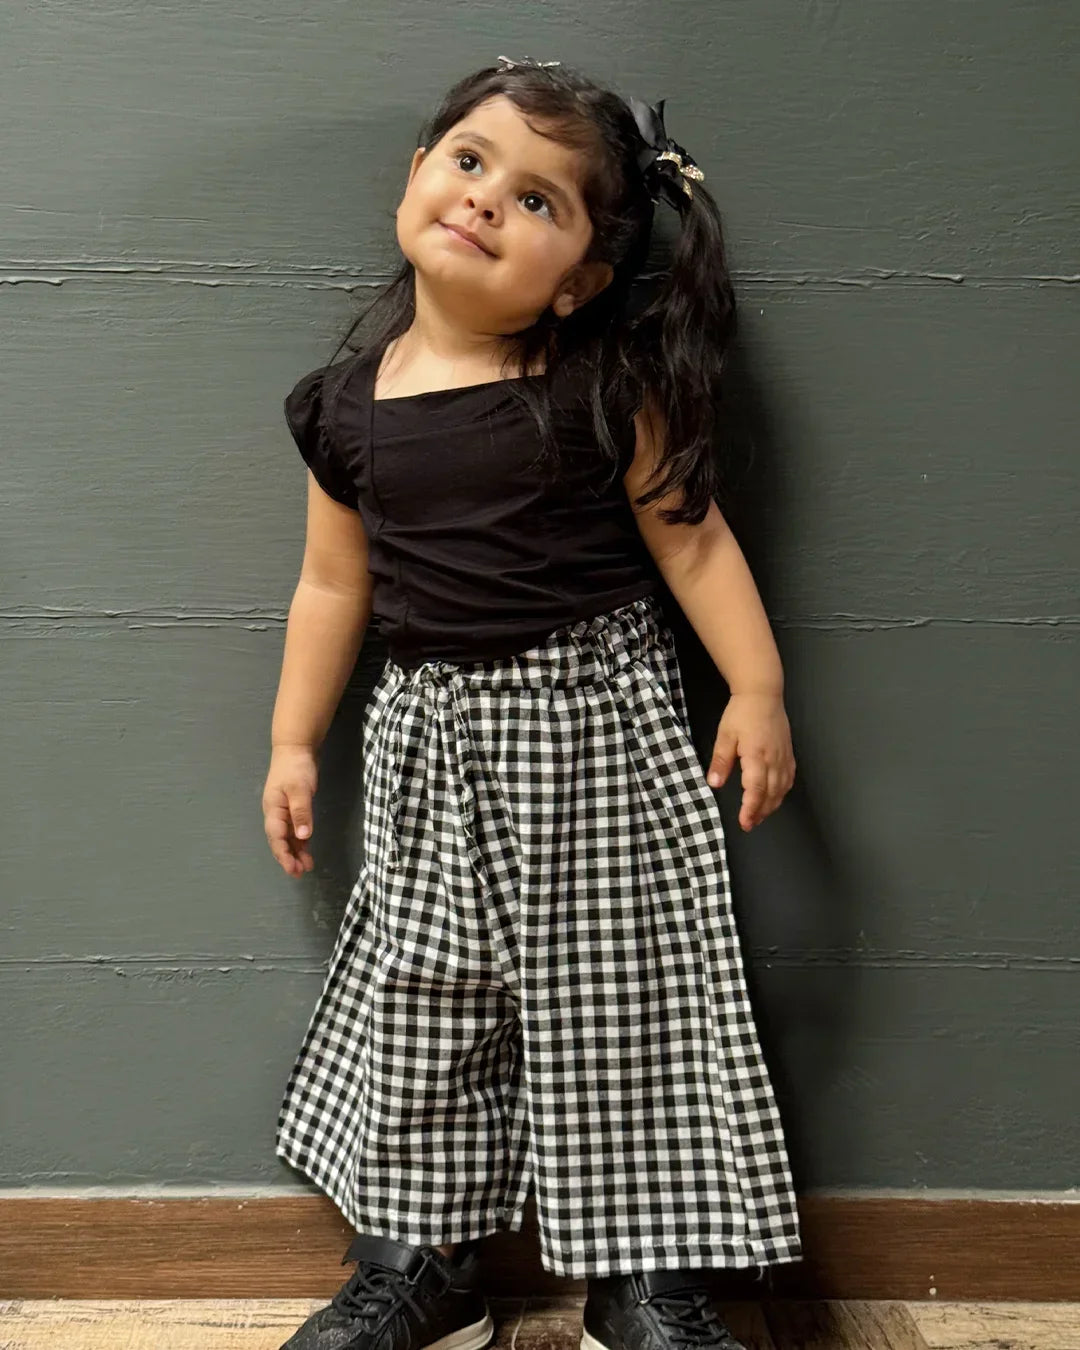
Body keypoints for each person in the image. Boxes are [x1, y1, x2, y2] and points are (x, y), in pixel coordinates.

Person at [264, 54, 802, 1350]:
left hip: (598, 736)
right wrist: (291, 736)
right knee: (427, 997)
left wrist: (758, 683)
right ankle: (424, 1260)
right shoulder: (344, 409)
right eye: (469, 161)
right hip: (429, 745)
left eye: (540, 201)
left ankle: (648, 1276)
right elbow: (331, 587)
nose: (488, 199)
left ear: (582, 279)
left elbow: (695, 541)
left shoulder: (606, 389)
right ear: (415, 175)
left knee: (630, 999)